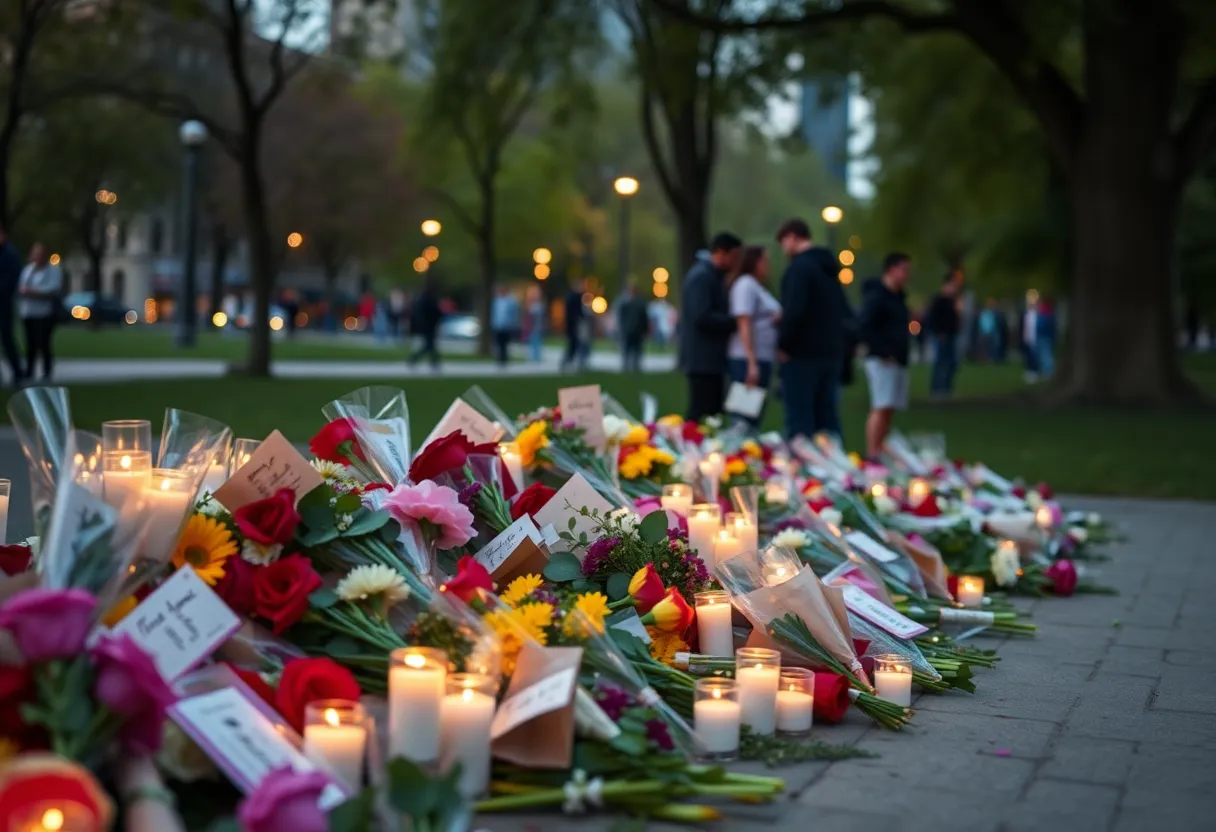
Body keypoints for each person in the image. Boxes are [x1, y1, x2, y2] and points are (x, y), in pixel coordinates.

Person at [774, 219, 849, 440]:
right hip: (831, 351)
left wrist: (783, 343)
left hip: (802, 353)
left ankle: (803, 458)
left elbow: (795, 310)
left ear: (792, 237)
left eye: (783, 242)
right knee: (827, 417)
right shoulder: (829, 269)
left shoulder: (799, 269)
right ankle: (833, 456)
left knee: (800, 418)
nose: (783, 248)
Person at [681, 233, 742, 421]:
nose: (736, 263)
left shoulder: (710, 276)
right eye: (734, 257)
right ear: (721, 253)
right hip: (703, 359)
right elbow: (702, 316)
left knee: (712, 413)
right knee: (702, 410)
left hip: (710, 359)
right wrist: (735, 322)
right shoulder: (702, 277)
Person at [859, 253, 912, 458]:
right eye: (903, 270)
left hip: (897, 358)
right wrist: (882, 351)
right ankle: (872, 452)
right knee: (881, 405)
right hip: (881, 359)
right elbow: (864, 326)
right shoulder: (877, 297)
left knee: (889, 407)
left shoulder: (898, 297)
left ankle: (882, 448)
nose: (906, 275)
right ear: (891, 269)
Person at [726, 245, 781, 426]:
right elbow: (744, 322)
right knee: (744, 415)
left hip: (762, 356)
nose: (768, 265)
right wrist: (751, 362)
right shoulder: (745, 285)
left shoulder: (758, 287)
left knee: (755, 413)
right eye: (764, 260)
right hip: (747, 359)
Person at [17, 243, 63, 382]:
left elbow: (52, 289)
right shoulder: (28, 270)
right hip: (28, 312)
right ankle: (29, 371)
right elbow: (21, 286)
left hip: (44, 313)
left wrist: (34, 292)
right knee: (30, 343)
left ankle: (46, 371)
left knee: (44, 343)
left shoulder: (52, 271)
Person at [925, 273, 962, 397]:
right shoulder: (938, 301)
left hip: (951, 335)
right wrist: (939, 332)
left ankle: (946, 387)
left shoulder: (953, 302)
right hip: (941, 336)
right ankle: (937, 389)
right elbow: (932, 319)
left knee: (952, 363)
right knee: (941, 363)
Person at [0, 227, 24, 386]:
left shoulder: (10, 254)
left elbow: (12, 279)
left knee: (7, 338)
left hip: (4, 302)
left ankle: (17, 372)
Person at [408, 280, 443, 370]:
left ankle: (432, 362)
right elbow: (435, 312)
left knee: (430, 345)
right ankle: (431, 362)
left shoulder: (422, 299)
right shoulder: (428, 300)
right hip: (429, 326)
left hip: (427, 326)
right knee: (430, 345)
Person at [617, 280, 650, 373]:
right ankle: (627, 367)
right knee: (628, 350)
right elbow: (621, 318)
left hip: (637, 330)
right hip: (628, 330)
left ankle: (635, 367)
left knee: (636, 350)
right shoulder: (625, 304)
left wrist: (645, 329)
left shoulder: (639, 304)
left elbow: (644, 318)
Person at [490, 285, 520, 368]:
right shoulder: (496, 302)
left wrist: (513, 323)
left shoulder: (510, 302)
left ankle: (504, 360)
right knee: (498, 344)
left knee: (505, 344)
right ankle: (499, 359)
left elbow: (513, 313)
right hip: (497, 326)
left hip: (506, 326)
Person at [561, 278, 586, 372]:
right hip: (573, 325)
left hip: (573, 324)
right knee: (573, 344)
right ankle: (568, 361)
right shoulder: (574, 297)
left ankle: (569, 361)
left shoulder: (572, 296)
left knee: (573, 344)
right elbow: (577, 311)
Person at [526, 284, 546, 362]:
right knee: (533, 340)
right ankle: (534, 356)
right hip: (533, 326)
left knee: (537, 340)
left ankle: (536, 356)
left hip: (537, 326)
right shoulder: (531, 305)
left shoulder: (540, 305)